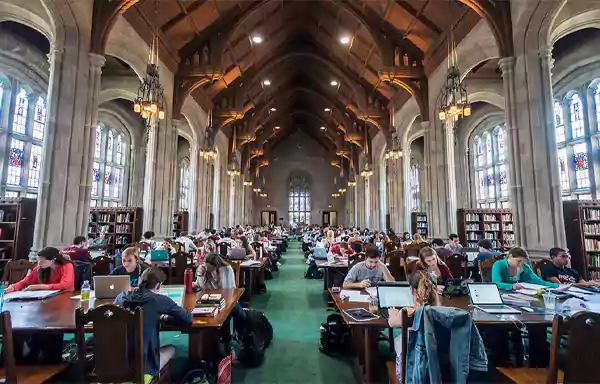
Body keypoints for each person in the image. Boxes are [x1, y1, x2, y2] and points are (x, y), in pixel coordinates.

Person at [115, 267, 192, 380]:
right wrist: (165, 318)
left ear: (140, 280)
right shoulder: (159, 300)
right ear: (158, 285)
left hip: (113, 361)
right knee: (172, 349)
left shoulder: (121, 297)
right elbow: (187, 318)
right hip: (141, 367)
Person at [388, 271, 441, 383]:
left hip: (411, 371)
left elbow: (392, 323)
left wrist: (392, 312)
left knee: (391, 356)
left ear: (412, 290)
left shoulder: (407, 312)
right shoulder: (441, 312)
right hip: (436, 369)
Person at [6, 247, 75, 293]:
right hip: (47, 298)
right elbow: (26, 281)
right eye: (38, 261)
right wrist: (13, 287)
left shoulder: (67, 266)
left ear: (53, 260)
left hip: (65, 296)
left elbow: (66, 285)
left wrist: (40, 287)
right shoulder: (40, 268)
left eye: (42, 261)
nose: (39, 263)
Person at [492, 247, 558, 290]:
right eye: (519, 261)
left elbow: (538, 281)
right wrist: (512, 286)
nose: (521, 264)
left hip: (521, 295)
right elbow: (496, 283)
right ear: (510, 256)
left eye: (523, 262)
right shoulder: (499, 265)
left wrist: (557, 286)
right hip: (503, 294)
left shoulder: (525, 267)